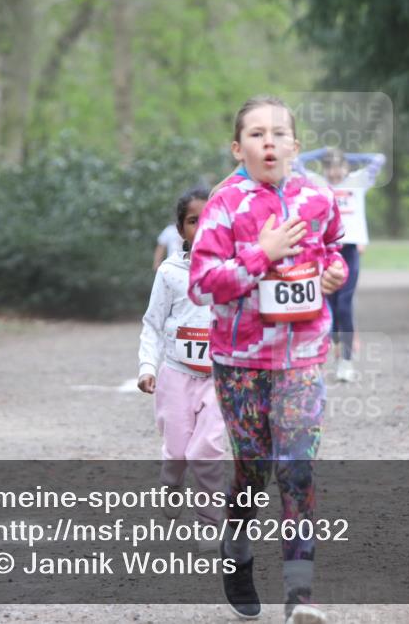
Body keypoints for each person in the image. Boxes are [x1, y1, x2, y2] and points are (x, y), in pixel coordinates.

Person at [188, 96, 346, 624]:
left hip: (302, 357)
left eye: (279, 133)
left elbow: (332, 252)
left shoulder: (320, 198)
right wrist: (264, 252)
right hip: (240, 362)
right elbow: (205, 282)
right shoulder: (224, 205)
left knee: (297, 469)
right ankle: (236, 556)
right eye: (256, 134)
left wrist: (332, 276)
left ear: (296, 146)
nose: (269, 141)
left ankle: (300, 597)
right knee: (252, 473)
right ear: (239, 148)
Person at [138, 187, 225, 551]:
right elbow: (153, 323)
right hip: (175, 374)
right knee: (176, 451)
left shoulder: (232, 271)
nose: (202, 227)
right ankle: (171, 484)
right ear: (180, 229)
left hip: (219, 378)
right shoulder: (171, 273)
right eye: (193, 221)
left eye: (209, 220)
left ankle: (209, 523)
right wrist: (148, 366)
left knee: (206, 450)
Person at [296, 147, 386, 382]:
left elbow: (378, 158)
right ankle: (332, 356)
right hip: (325, 250)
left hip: (349, 250)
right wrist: (322, 152)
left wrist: (346, 155)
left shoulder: (357, 182)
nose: (335, 171)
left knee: (345, 305)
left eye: (340, 166)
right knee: (329, 307)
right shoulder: (317, 183)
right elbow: (295, 162)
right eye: (330, 166)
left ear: (347, 168)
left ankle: (346, 360)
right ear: (324, 169)